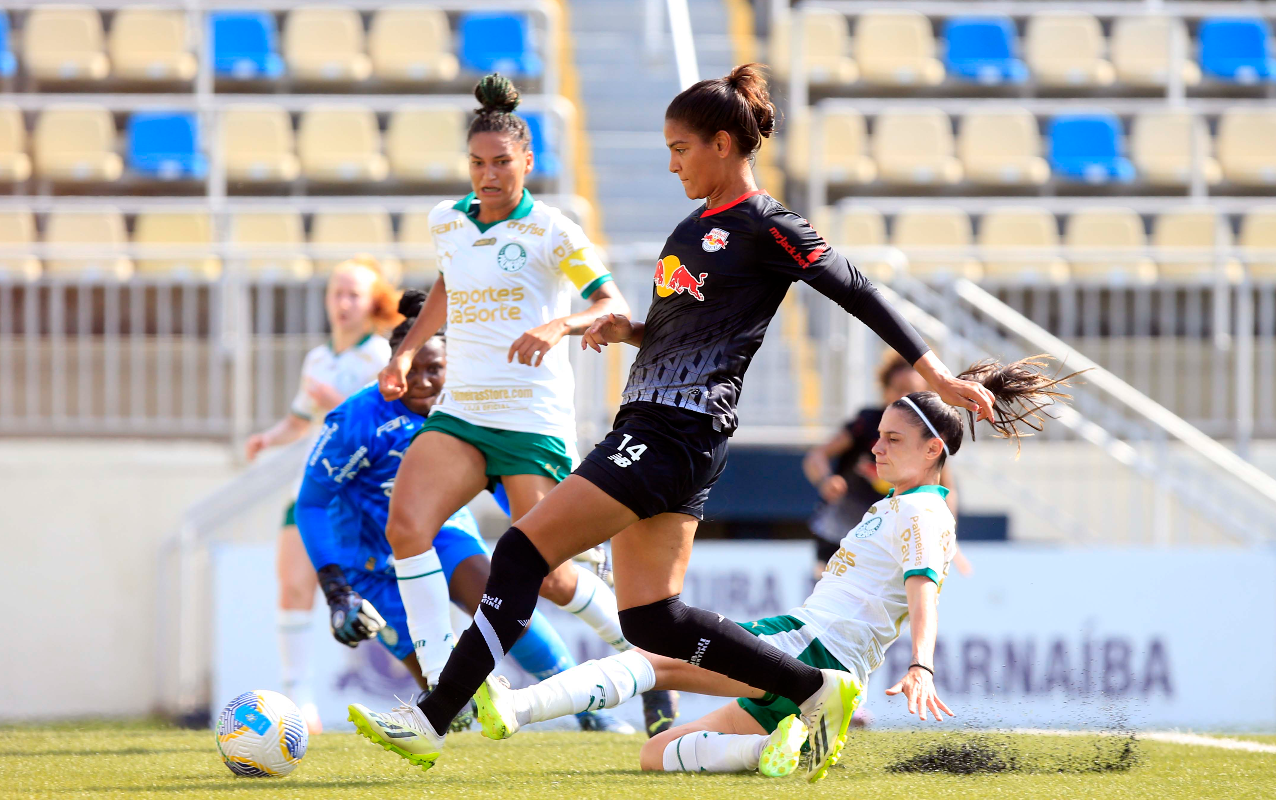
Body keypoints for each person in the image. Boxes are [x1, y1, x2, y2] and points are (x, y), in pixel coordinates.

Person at [348, 63, 999, 783]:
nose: (671, 162)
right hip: (667, 430)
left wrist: (934, 371)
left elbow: (857, 289)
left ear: (723, 143)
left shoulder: (768, 224)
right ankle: (815, 688)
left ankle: (433, 717)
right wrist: (621, 328)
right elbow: (671, 331)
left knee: (523, 553)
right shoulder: (692, 228)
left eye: (680, 147)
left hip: (672, 431)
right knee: (652, 621)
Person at [466, 356, 1075, 777]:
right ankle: (783, 748)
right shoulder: (909, 506)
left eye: (890, 439)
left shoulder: (920, 512)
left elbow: (925, 591)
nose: (876, 447)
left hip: (812, 652)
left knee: (654, 660)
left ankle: (515, 709)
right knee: (657, 755)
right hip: (833, 671)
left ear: (932, 450)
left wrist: (921, 664)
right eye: (879, 436)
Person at [350, 74, 671, 727]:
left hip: (530, 422)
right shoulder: (448, 221)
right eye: (477, 162)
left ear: (528, 162)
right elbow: (447, 285)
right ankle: (444, 689)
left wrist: (562, 324)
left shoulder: (554, 231)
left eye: (502, 162)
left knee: (550, 578)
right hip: (464, 413)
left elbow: (612, 303)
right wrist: (409, 350)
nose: (488, 174)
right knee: (406, 527)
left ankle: (647, 661)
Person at [294, 290, 632, 733]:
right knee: (452, 698)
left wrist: (557, 532)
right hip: (368, 563)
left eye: (434, 370)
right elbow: (310, 503)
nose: (421, 382)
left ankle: (591, 711)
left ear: (452, 369)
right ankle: (449, 708)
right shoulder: (356, 420)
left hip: (445, 534)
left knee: (502, 603)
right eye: (410, 369)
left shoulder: (468, 414)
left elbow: (501, 479)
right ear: (392, 367)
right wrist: (336, 588)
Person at [245, 255, 401, 733]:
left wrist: (333, 400)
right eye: (337, 292)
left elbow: (380, 423)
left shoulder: (381, 356)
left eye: (354, 294)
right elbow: (301, 419)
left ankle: (437, 685)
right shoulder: (317, 358)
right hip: (314, 487)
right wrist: (269, 437)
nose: (343, 302)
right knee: (292, 585)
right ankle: (299, 701)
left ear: (372, 301)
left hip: (365, 495)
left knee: (381, 596)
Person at [804, 351, 970, 577]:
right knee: (828, 595)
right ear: (885, 391)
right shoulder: (867, 422)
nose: (905, 397)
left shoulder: (927, 436)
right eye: (898, 388)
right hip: (840, 531)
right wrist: (825, 480)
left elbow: (947, 488)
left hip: (888, 533)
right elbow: (816, 457)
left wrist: (949, 535)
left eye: (912, 390)